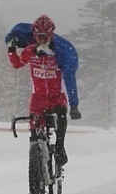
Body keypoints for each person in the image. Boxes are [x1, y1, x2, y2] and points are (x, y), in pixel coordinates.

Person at [5, 14, 81, 167]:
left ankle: (60, 147)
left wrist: (74, 106)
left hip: (56, 97)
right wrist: (12, 49)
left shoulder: (60, 53)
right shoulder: (31, 50)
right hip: (38, 98)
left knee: (60, 113)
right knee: (34, 134)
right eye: (38, 37)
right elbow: (17, 64)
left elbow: (69, 80)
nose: (41, 40)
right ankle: (35, 185)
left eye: (45, 37)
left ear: (51, 36)